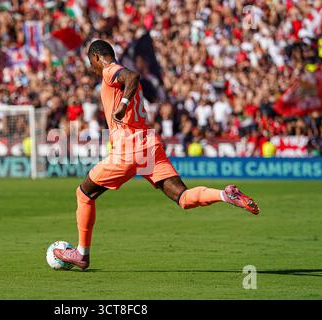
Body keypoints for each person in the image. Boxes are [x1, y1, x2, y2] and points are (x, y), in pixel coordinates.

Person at [53, 40, 260, 271]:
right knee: (182, 197)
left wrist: (121, 105)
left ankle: (81, 253)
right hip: (148, 144)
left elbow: (132, 77)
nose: (91, 67)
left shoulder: (110, 70)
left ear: (97, 58)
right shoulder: (117, 78)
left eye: (91, 62)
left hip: (127, 149)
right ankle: (225, 194)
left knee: (83, 194)